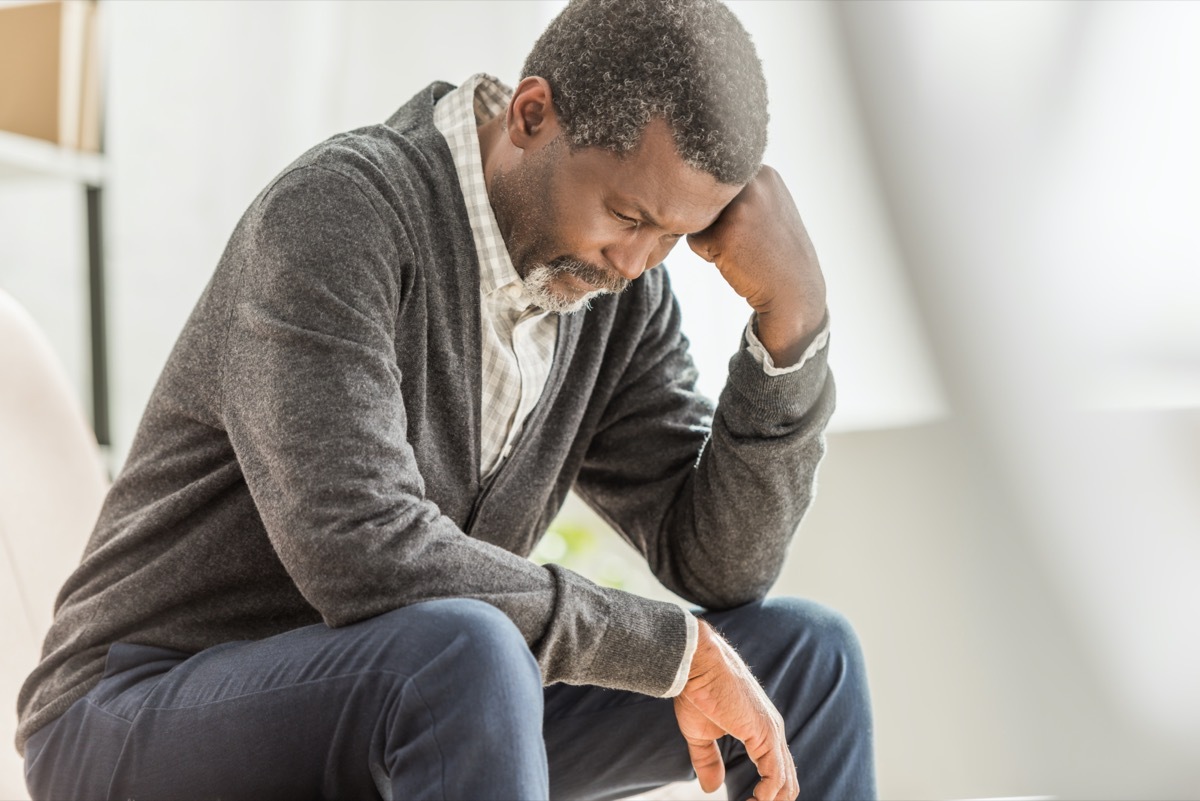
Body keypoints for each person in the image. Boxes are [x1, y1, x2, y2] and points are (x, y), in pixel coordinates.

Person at [17, 0, 874, 798]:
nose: (637, 262)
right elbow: (365, 554)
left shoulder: (617, 299)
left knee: (805, 659)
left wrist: (790, 330)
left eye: (672, 237)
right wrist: (666, 650)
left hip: (408, 694)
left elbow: (717, 566)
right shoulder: (337, 213)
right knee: (467, 648)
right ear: (532, 114)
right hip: (136, 709)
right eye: (625, 214)